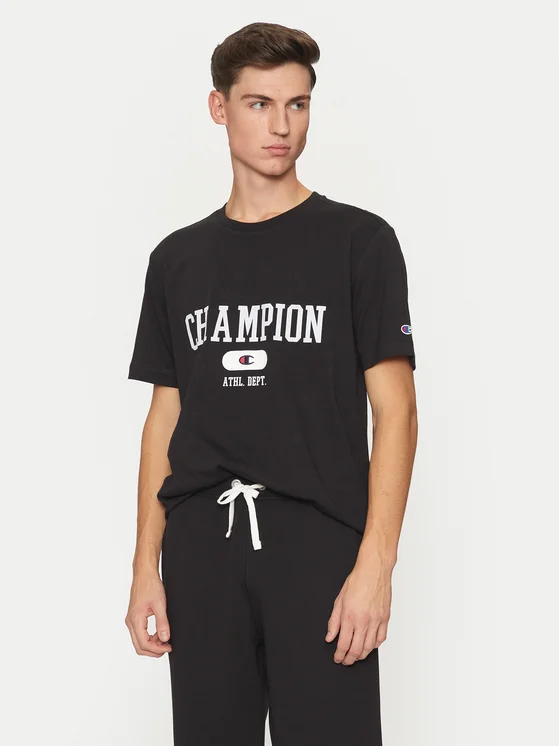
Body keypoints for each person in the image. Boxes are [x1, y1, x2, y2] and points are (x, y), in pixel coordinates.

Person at [125, 20, 418, 746]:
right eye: (259, 104)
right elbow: (165, 420)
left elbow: (397, 412)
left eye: (297, 104)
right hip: (203, 545)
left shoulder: (360, 243)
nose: (282, 127)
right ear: (219, 108)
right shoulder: (177, 261)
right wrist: (145, 568)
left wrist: (375, 565)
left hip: (318, 544)